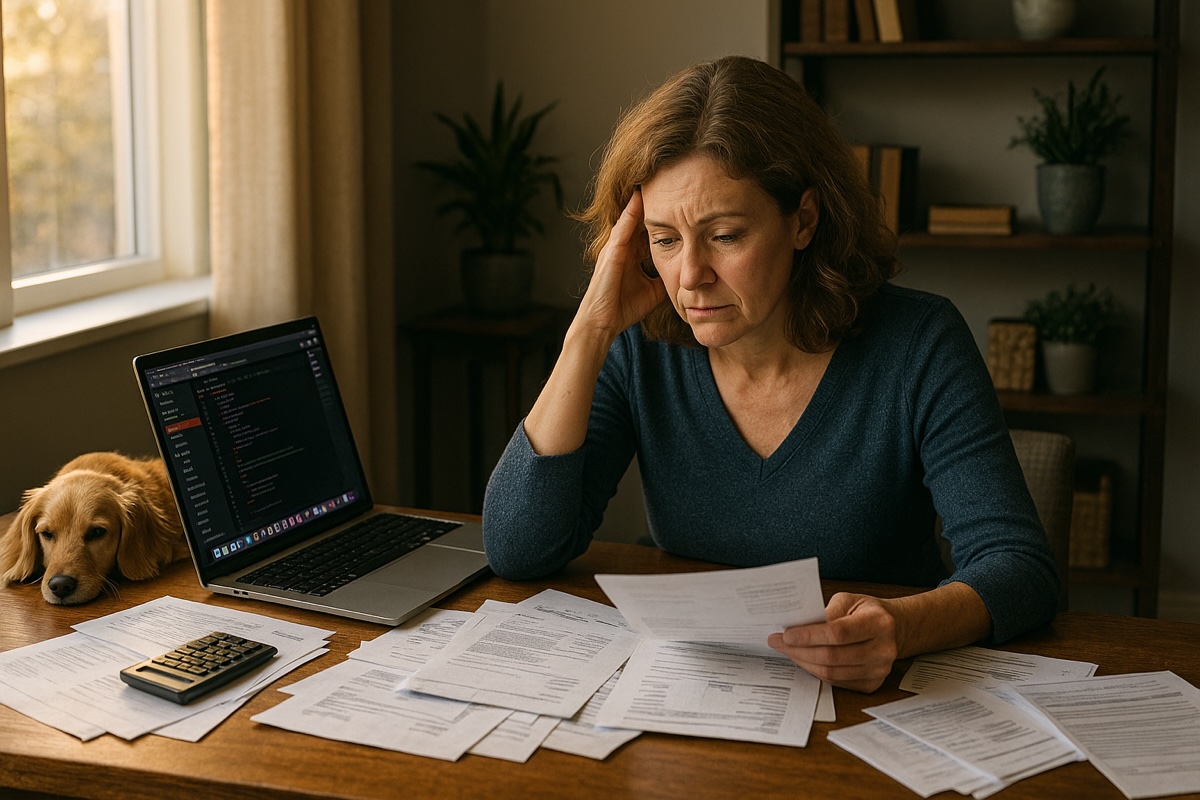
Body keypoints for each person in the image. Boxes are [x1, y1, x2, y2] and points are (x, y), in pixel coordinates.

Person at [481, 55, 1059, 692]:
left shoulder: (919, 343)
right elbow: (518, 548)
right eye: (663, 239)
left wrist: (902, 625)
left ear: (804, 220)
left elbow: (1019, 566)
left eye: (725, 235)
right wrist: (588, 333)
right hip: (689, 693)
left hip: (869, 699)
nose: (690, 275)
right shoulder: (642, 344)